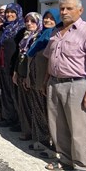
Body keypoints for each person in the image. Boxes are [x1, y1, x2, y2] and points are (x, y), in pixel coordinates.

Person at [43, 0, 86, 171]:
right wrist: (47, 80)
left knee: (79, 127)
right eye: (62, 8)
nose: (64, 12)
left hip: (78, 84)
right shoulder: (55, 33)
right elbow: (50, 59)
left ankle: (81, 166)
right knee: (57, 125)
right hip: (54, 83)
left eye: (69, 8)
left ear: (80, 10)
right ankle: (64, 159)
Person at [25, 9, 60, 155]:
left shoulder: (54, 35)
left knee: (47, 112)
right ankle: (41, 140)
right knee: (38, 109)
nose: (48, 21)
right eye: (46, 18)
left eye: (52, 18)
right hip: (35, 77)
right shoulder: (41, 34)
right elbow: (30, 55)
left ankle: (52, 145)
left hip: (44, 79)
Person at [14, 12, 42, 141]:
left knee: (34, 106)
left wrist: (28, 76)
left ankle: (38, 135)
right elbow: (19, 56)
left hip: (31, 76)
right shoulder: (25, 37)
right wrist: (15, 72)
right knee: (23, 104)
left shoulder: (39, 38)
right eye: (27, 21)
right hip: (21, 73)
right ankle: (27, 131)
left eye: (33, 21)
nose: (29, 24)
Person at [0, 3, 25, 130]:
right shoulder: (4, 28)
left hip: (13, 66)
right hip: (3, 64)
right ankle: (9, 118)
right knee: (6, 92)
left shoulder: (21, 29)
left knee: (16, 94)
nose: (9, 14)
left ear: (18, 13)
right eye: (7, 12)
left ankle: (20, 121)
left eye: (12, 12)